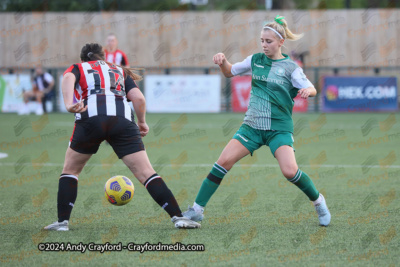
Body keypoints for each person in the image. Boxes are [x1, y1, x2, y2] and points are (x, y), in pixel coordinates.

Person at [183, 15, 331, 226]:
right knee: (222, 162)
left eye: (268, 41)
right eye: (262, 40)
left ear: (281, 42)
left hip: (278, 128)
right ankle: (197, 210)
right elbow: (229, 72)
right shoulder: (255, 61)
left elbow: (313, 88)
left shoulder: (291, 68)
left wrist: (308, 89)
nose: (264, 45)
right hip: (252, 126)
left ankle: (318, 201)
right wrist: (223, 62)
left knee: (289, 171)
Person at [44, 43, 200, 231]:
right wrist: (141, 122)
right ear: (103, 57)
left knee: (70, 170)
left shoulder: (78, 68)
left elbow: (68, 77)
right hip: (123, 122)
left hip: (90, 120)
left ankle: (62, 223)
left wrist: (69, 103)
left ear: (83, 59)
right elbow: (139, 98)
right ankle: (178, 217)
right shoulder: (119, 70)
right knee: (146, 173)